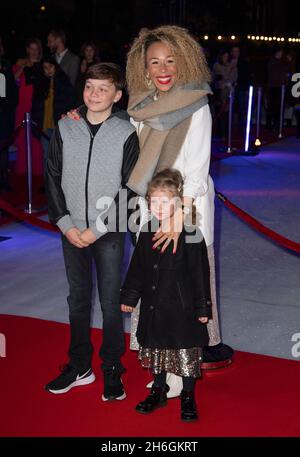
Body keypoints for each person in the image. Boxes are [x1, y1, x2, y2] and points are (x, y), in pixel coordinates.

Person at [125, 25, 234, 398]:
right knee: (155, 288)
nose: (163, 68)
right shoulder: (141, 106)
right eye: (154, 61)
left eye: (170, 60)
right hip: (149, 207)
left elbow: (196, 170)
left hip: (185, 211)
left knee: (180, 288)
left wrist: (176, 220)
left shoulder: (196, 105)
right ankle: (160, 364)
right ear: (144, 67)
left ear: (184, 61)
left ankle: (177, 370)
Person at [45, 63, 139, 401]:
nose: (94, 94)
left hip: (108, 231)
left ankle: (112, 367)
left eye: (103, 88)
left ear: (117, 94)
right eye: (89, 87)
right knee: (78, 300)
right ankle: (79, 365)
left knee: (112, 304)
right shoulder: (66, 125)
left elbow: (130, 187)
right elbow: (52, 176)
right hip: (71, 230)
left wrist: (95, 229)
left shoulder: (128, 131)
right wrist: (67, 225)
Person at [121, 169, 212, 422]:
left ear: (177, 202)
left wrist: (202, 308)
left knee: (186, 354)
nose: (159, 207)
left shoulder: (192, 234)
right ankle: (158, 391)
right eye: (154, 201)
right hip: (154, 306)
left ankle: (188, 396)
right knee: (157, 351)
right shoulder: (146, 230)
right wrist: (129, 297)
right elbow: (137, 269)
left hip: (182, 308)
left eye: (165, 201)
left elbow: (199, 276)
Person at [31, 55, 76, 177]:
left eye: (50, 66)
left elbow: (70, 101)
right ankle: (48, 183)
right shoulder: (40, 83)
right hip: (44, 124)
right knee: (46, 154)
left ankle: (59, 182)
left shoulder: (64, 82)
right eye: (45, 67)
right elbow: (35, 105)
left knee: (59, 155)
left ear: (55, 67)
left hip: (58, 124)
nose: (48, 70)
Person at [13, 38, 43, 177]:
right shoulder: (20, 63)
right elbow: (12, 81)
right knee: (21, 137)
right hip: (21, 105)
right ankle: (23, 168)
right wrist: (23, 67)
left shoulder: (43, 65)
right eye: (31, 48)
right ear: (27, 49)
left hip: (36, 105)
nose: (33, 51)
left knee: (36, 138)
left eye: (36, 48)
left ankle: (37, 169)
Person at [0, 37, 18, 190]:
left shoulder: (6, 65)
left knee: (4, 147)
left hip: (4, 114)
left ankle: (5, 180)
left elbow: (10, 91)